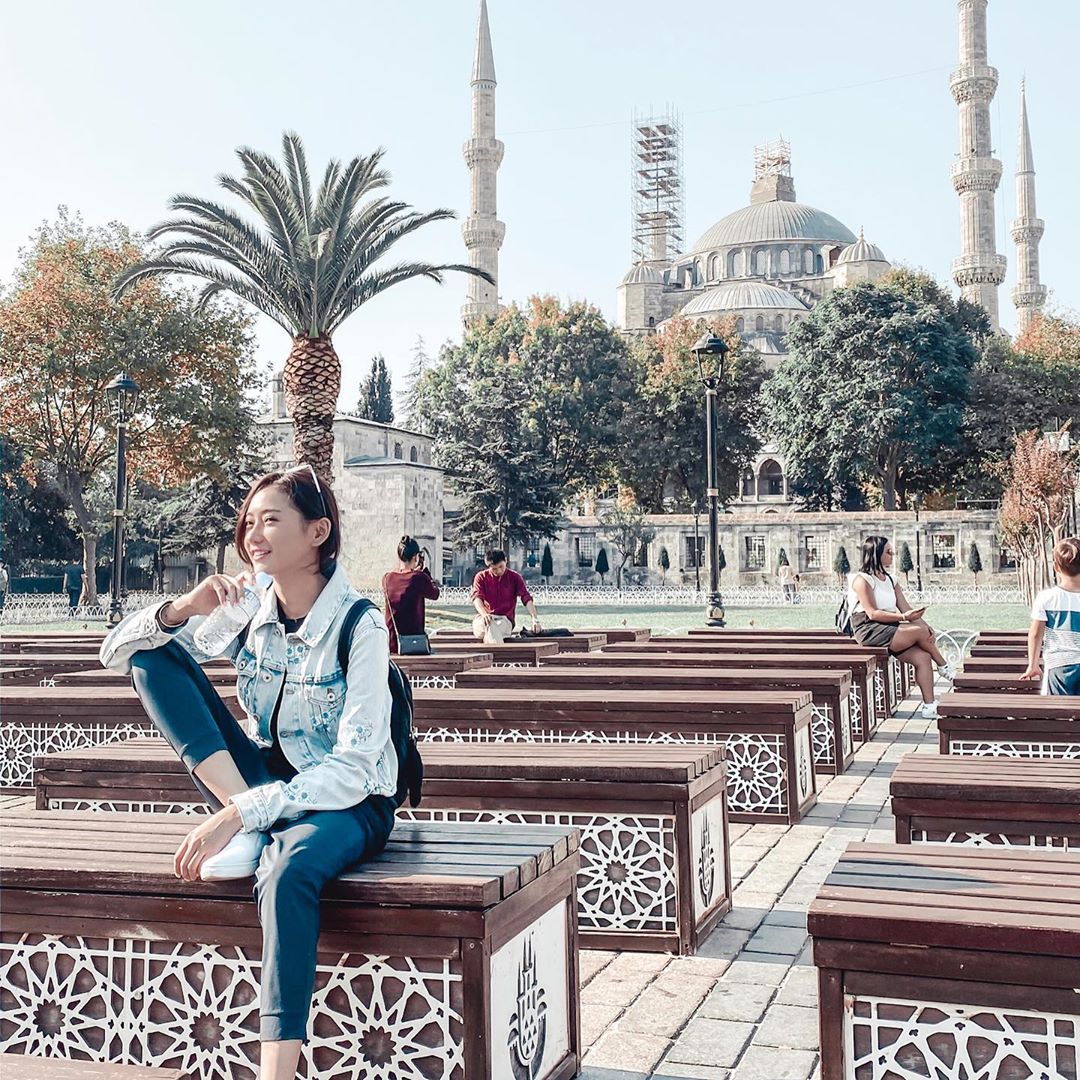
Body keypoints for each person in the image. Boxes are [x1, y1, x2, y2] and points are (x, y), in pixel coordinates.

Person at [100, 465, 397, 1080]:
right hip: (259, 783)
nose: (252, 536)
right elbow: (118, 654)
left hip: (348, 799)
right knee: (154, 659)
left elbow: (354, 765)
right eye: (248, 522)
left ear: (318, 532)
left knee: (286, 870)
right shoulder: (249, 606)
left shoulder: (359, 624)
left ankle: (275, 1072)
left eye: (271, 521)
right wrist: (186, 607)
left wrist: (239, 813)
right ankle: (254, 824)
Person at [849, 535, 955, 719]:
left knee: (923, 657)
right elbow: (872, 613)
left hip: (890, 626)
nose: (892, 555)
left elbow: (906, 608)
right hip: (869, 628)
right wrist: (905, 618)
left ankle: (929, 706)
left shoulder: (892, 580)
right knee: (920, 631)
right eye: (888, 552)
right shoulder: (862, 580)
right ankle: (944, 666)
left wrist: (927, 627)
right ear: (876, 554)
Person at [1021, 537, 1080, 695]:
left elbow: (1035, 634)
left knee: (1058, 708)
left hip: (1058, 667)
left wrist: (1033, 665)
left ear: (1056, 567)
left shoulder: (1046, 598)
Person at [382, 535, 440, 653]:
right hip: (414, 643)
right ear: (415, 557)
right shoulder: (419, 578)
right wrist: (426, 574)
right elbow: (435, 594)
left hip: (391, 643)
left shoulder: (387, 578)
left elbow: (403, 578)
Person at [471, 548, 542, 643]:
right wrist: (484, 614)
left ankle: (494, 650)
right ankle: (497, 650)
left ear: (506, 560)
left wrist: (534, 619)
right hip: (484, 618)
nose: (499, 571)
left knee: (492, 628)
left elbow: (526, 598)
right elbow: (477, 598)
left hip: (504, 620)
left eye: (501, 566)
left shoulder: (515, 577)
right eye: (494, 569)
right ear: (488, 566)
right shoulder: (481, 577)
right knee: (489, 626)